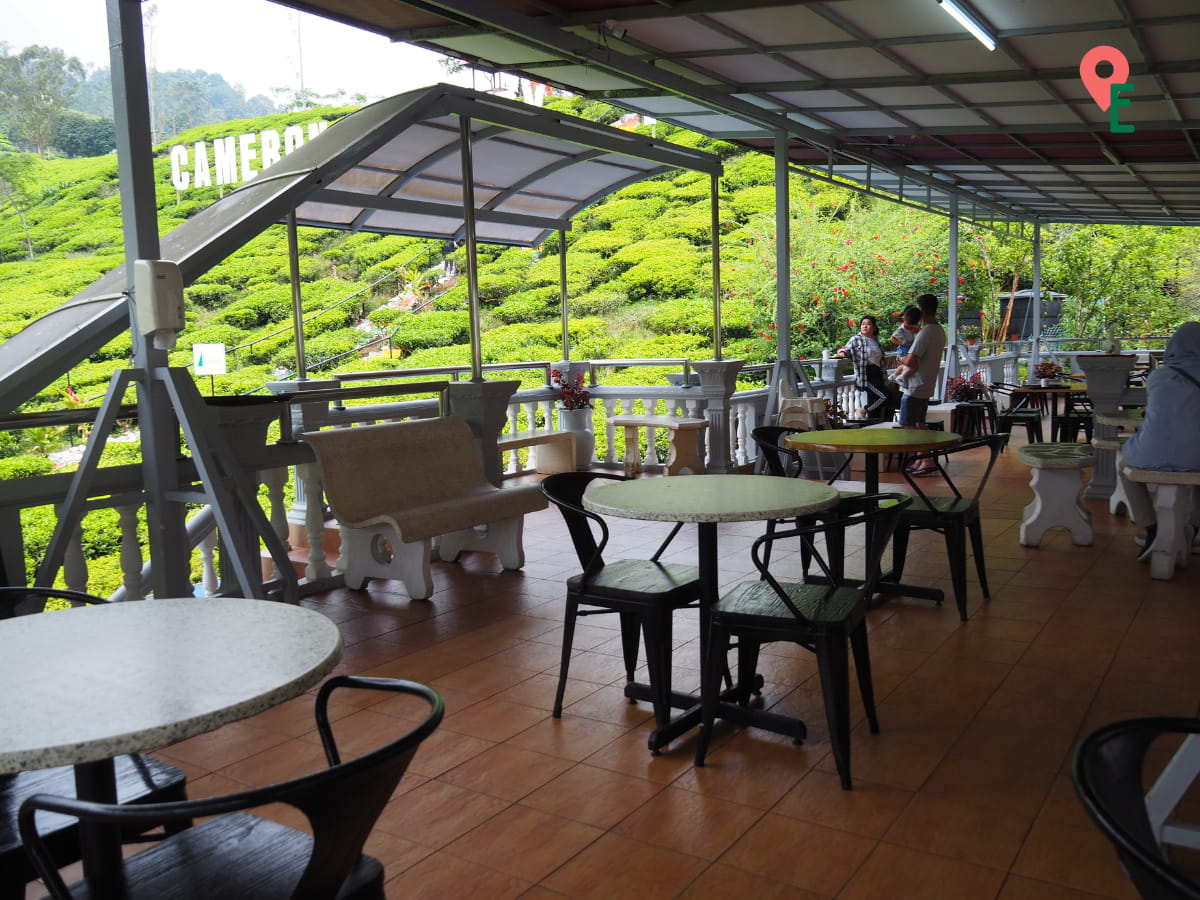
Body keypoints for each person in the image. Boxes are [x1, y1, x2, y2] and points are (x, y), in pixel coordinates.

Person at [1117, 321, 1200, 560]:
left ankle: (1150, 527)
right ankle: (1193, 526)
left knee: (1124, 466)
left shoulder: (1158, 376)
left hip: (1151, 453)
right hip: (1196, 455)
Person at [893, 293, 947, 437]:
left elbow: (910, 361)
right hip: (926, 385)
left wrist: (900, 358)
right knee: (919, 424)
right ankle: (923, 458)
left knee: (907, 425)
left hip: (914, 387)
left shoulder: (925, 333)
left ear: (920, 309)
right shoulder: (940, 331)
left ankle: (923, 458)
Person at [835, 314, 894, 422]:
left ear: (874, 327)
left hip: (878, 373)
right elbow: (846, 349)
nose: (865, 326)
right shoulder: (856, 339)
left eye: (868, 324)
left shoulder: (876, 340)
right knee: (885, 396)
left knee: (877, 400)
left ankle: (873, 425)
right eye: (863, 324)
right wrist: (842, 353)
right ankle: (865, 410)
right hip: (866, 374)